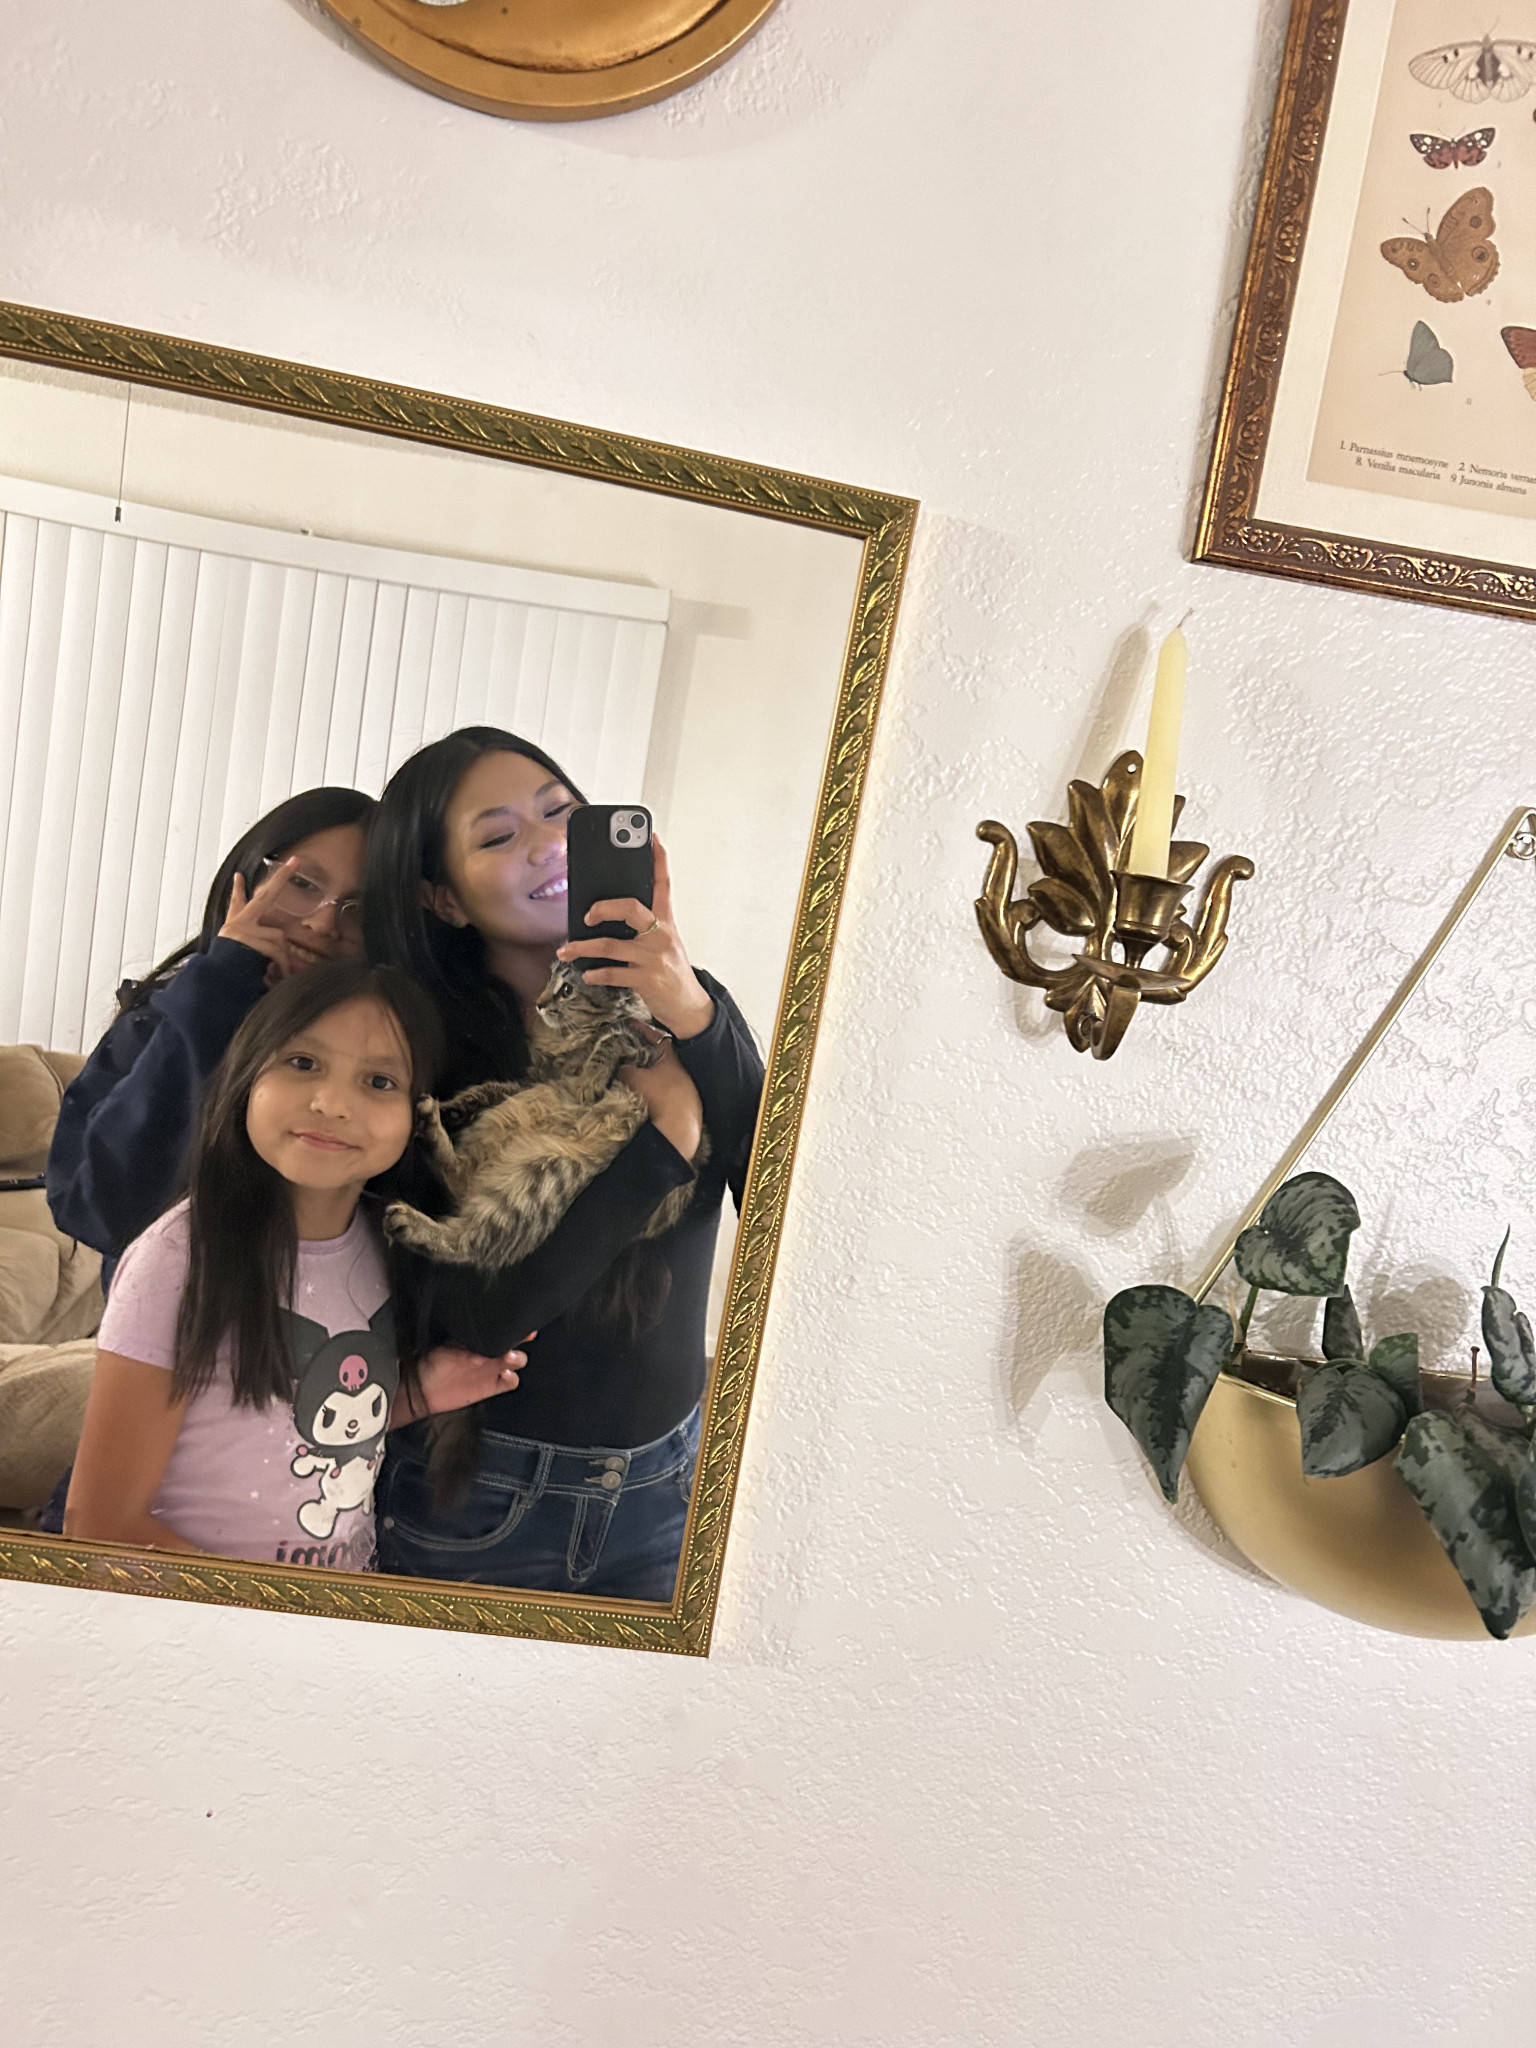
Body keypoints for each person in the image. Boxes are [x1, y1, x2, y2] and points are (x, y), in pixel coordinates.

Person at [363, 726, 764, 1599]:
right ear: (443, 898)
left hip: (669, 1485)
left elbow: (781, 1202)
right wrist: (660, 1145)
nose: (549, 845)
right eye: (498, 836)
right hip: (484, 1498)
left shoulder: (691, 1012)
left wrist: (692, 1011)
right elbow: (480, 1315)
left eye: (561, 813)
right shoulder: (422, 1052)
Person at [64, 962, 529, 1567]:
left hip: (333, 1603)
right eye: (303, 1063)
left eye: (380, 1081)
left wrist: (416, 1394)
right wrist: (272, 1609)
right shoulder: (179, 1257)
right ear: (245, 1075)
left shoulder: (390, 1244)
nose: (331, 1104)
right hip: (210, 1614)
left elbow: (294, 1431)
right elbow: (99, 1523)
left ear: (420, 1115)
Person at [47, 786, 375, 1283]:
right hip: (166, 1319)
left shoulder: (383, 1047)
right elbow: (99, 1209)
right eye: (301, 883)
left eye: (359, 907)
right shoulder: (163, 1018)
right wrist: (218, 984)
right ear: (245, 876)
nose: (324, 922)